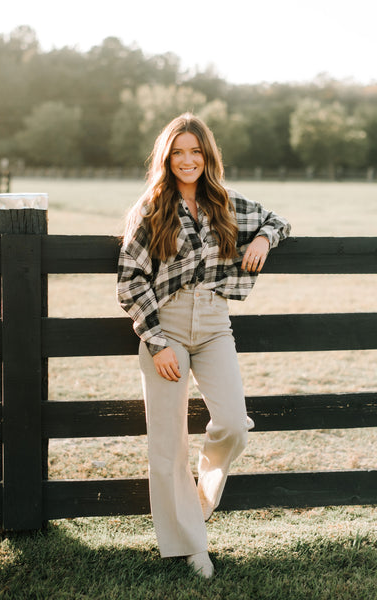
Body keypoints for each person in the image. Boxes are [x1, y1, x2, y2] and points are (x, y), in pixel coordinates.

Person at [117, 113, 290, 578]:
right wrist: (157, 343)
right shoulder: (151, 209)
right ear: (167, 158)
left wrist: (264, 240)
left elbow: (279, 220)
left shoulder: (225, 204)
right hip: (166, 327)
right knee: (167, 443)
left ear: (207, 156)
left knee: (233, 423)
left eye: (195, 151)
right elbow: (131, 282)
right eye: (178, 152)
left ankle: (196, 502)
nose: (187, 160)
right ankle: (191, 545)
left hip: (214, 322)